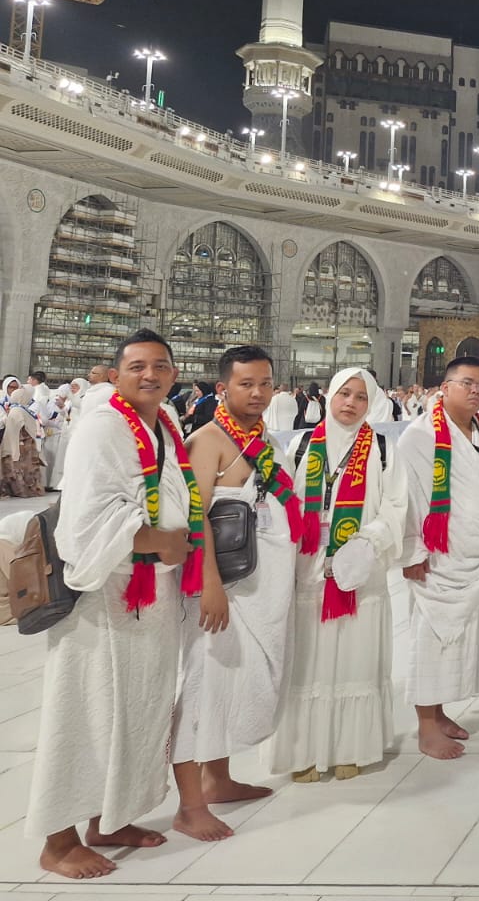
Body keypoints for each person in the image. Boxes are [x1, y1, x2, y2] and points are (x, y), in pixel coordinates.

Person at [26, 331, 201, 879]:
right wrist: (156, 541)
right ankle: (58, 840)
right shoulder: (104, 426)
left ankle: (110, 816)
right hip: (103, 595)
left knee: (138, 712)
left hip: (149, 597)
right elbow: (86, 517)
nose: (150, 375)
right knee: (84, 713)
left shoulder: (164, 423)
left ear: (174, 374)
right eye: (137, 366)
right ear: (116, 373)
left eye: (161, 366)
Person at [171, 346, 303, 840]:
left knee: (232, 684)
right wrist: (209, 586)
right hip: (222, 587)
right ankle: (188, 805)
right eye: (246, 384)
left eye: (265, 383)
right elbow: (195, 516)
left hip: (257, 585)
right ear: (223, 388)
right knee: (204, 686)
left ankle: (218, 777)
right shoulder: (208, 440)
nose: (258, 393)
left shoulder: (260, 436)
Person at [269, 367, 406, 781]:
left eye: (360, 398)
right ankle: (305, 751)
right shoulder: (302, 445)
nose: (350, 403)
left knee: (355, 656)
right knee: (308, 660)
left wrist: (369, 543)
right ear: (329, 396)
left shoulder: (383, 448)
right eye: (344, 394)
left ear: (372, 404)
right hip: (309, 567)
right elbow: (282, 504)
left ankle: (352, 746)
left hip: (360, 568)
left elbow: (397, 507)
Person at [399, 355, 479, 758]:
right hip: (439, 558)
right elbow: (409, 497)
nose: (475, 391)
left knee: (461, 640)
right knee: (432, 639)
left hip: (475, 555)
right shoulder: (419, 436)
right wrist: (412, 550)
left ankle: (442, 709)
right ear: (444, 388)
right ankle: (426, 726)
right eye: (466, 383)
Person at [1, 380, 45, 496]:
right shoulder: (23, 410)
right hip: (25, 445)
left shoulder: (17, 410)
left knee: (18, 470)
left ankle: (20, 491)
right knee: (25, 471)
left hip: (18, 445)